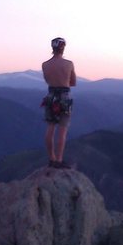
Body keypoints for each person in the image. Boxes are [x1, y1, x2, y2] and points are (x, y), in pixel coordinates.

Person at [41, 37, 76, 168]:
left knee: (50, 127)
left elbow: (47, 80)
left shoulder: (45, 64)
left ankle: (52, 159)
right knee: (62, 130)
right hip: (64, 97)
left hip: (50, 96)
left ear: (52, 48)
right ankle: (59, 160)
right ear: (63, 47)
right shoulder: (69, 64)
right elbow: (73, 82)